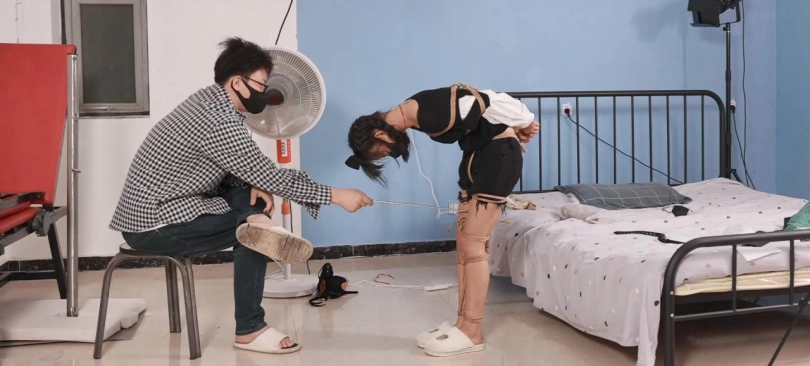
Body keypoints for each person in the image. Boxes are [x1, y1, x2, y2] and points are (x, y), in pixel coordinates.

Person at [109, 37, 373, 355]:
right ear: (237, 82)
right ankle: (249, 328)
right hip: (154, 224)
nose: (265, 93)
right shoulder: (217, 119)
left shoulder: (210, 102)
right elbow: (269, 175)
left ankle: (257, 220)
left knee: (252, 197)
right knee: (254, 232)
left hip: (173, 205)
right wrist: (336, 195)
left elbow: (238, 169)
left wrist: (253, 181)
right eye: (261, 85)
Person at [345, 83, 539, 357]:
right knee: (464, 244)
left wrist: (525, 121)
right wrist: (518, 124)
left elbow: (489, 99)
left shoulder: (429, 111)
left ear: (380, 133)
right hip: (476, 158)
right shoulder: (418, 113)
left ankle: (472, 332)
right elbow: (481, 113)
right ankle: (462, 324)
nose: (390, 154)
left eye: (384, 152)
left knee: (474, 247)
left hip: (497, 159)